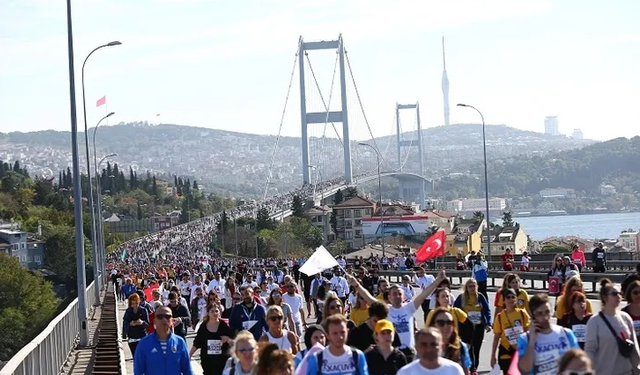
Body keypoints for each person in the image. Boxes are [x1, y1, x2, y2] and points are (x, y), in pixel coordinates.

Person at [350, 269, 446, 362]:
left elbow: (424, 294)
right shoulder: (386, 309)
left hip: (409, 353)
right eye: (394, 294)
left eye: (400, 294)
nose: (397, 296)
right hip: (393, 353)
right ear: (389, 297)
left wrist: (438, 280)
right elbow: (369, 298)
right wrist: (357, 285)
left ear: (403, 296)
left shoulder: (409, 308)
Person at [585, 278, 640, 375]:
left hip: (626, 372)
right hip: (604, 372)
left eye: (620, 293)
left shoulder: (626, 317)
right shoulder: (594, 321)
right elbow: (590, 350)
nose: (618, 296)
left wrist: (637, 369)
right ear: (605, 298)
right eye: (614, 294)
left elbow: (634, 348)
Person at [517, 293, 580, 375]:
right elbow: (525, 370)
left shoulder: (566, 334)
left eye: (547, 312)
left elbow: (579, 363)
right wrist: (532, 341)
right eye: (540, 313)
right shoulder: (525, 339)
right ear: (533, 316)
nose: (545, 317)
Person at [133, 306, 193, 375]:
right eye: (160, 317)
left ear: (172, 320)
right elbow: (138, 371)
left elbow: (188, 369)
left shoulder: (179, 342)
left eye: (167, 317)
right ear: (154, 320)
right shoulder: (144, 344)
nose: (164, 319)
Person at [304, 314, 369, 375]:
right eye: (335, 333)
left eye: (342, 332)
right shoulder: (316, 359)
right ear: (327, 335)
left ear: (348, 332)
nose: (340, 337)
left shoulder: (357, 355)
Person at [454, 279, 492, 375]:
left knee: (477, 348)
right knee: (469, 348)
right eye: (470, 286)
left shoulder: (480, 297)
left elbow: (487, 310)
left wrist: (488, 324)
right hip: (466, 328)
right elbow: (455, 311)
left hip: (478, 326)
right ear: (466, 288)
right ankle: (472, 369)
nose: (472, 288)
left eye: (474, 286)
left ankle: (474, 367)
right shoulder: (461, 298)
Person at [490, 288, 529, 375]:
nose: (511, 299)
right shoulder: (500, 317)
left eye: (513, 297)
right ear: (504, 300)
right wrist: (493, 356)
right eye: (508, 297)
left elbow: (528, 333)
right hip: (506, 351)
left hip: (520, 351)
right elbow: (496, 337)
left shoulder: (522, 314)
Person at [397, 328, 464, 375]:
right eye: (424, 345)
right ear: (416, 347)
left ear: (442, 346)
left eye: (433, 344)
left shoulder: (454, 370)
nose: (429, 349)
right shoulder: (405, 372)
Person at [190, 303, 234, 375]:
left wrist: (228, 339)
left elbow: (233, 342)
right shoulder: (203, 326)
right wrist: (190, 355)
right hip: (207, 361)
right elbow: (197, 342)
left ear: (220, 312)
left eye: (216, 311)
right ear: (208, 313)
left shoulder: (224, 325)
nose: (215, 313)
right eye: (212, 311)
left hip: (222, 361)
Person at [427, 307, 472, 375]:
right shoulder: (425, 347)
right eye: (441, 323)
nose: (446, 326)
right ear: (433, 325)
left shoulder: (461, 347)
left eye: (449, 323)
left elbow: (466, 372)